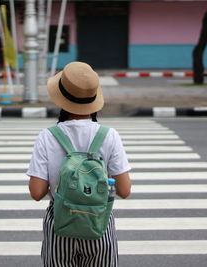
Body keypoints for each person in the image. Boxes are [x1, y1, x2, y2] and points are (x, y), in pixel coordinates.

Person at [27, 61, 131, 267]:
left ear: (61, 98)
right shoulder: (109, 136)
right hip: (99, 225)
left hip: (60, 226)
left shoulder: (47, 136)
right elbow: (124, 190)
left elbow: (36, 192)